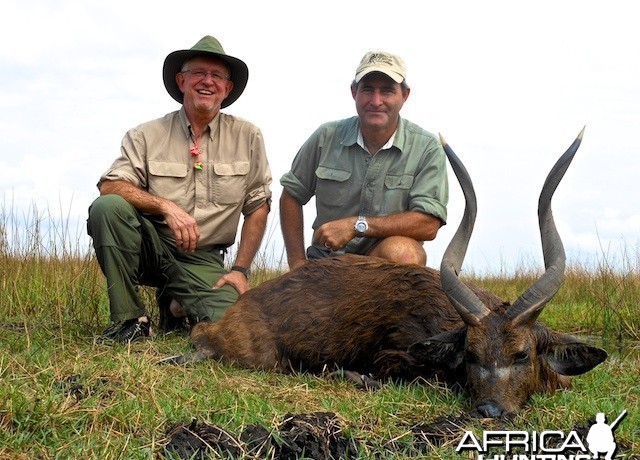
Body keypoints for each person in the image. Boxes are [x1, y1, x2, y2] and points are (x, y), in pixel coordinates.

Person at [87, 35, 272, 343]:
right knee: (107, 208)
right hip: (149, 247)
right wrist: (166, 207)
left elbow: (258, 205)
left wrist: (241, 269)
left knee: (236, 330)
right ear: (182, 80)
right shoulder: (146, 134)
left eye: (217, 76)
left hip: (204, 258)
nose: (207, 82)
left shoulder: (248, 136)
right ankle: (130, 320)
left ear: (227, 89)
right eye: (198, 72)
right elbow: (110, 185)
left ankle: (176, 305)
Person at [280, 51, 448, 270]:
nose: (376, 101)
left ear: (404, 95)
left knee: (405, 253)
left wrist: (357, 226)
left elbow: (428, 225)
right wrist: (296, 262)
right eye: (368, 90)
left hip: (382, 266)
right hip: (326, 263)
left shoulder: (427, 147)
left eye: (387, 91)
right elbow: (292, 194)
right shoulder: (326, 137)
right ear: (354, 92)